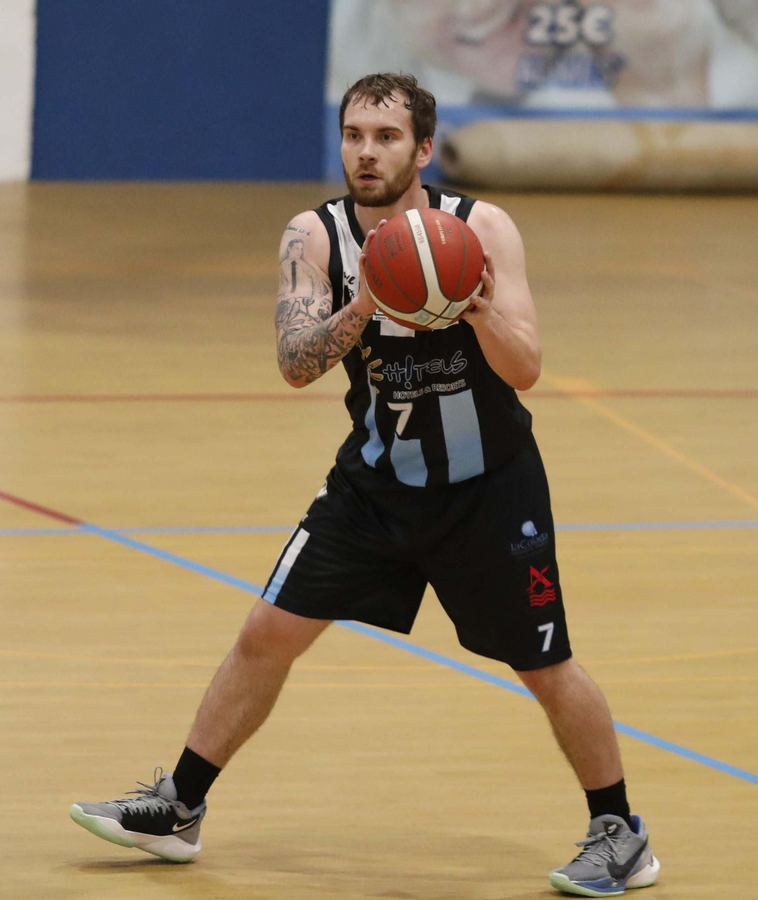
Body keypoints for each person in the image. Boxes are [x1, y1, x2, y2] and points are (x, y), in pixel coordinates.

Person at [70, 73, 659, 897]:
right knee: (265, 632)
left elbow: (525, 367)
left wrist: (476, 308)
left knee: (546, 664)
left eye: (386, 137)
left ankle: (619, 830)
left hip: (488, 491)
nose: (366, 152)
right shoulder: (314, 235)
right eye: (354, 135)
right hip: (375, 485)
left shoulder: (479, 228)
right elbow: (293, 365)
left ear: (422, 148)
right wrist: (368, 305)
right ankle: (181, 807)